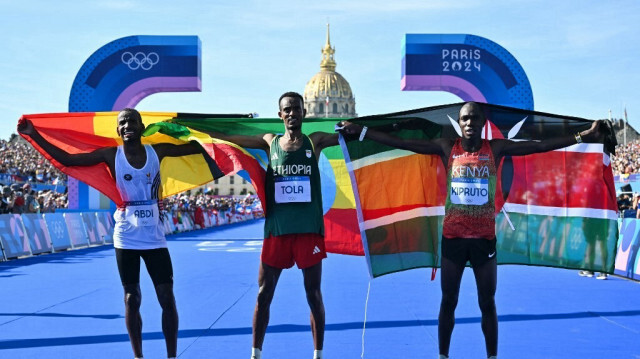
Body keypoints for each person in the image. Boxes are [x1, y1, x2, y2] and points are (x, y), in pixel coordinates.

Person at [338, 102, 608, 359]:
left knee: (487, 303)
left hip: (484, 240)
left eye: (474, 118)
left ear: (482, 123)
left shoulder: (496, 149)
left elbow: (540, 145)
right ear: (458, 123)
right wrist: (362, 131)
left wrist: (583, 135)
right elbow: (404, 143)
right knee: (448, 301)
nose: (469, 122)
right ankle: (443, 354)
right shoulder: (447, 148)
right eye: (464, 118)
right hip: (453, 239)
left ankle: (492, 355)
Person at [18, 108, 204, 359]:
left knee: (166, 297)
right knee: (131, 298)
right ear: (118, 130)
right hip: (126, 235)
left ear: (141, 126)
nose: (127, 125)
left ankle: (172, 356)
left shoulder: (156, 151)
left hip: (154, 235)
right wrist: (34, 135)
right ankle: (138, 356)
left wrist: (225, 136)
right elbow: (69, 160)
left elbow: (196, 147)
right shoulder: (111, 154)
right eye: (122, 123)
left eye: (132, 121)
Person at [204, 92, 339, 359]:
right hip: (277, 232)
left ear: (304, 113)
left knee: (313, 294)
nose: (292, 113)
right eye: (287, 110)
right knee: (264, 293)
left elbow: (353, 137)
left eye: (296, 109)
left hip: (308, 231)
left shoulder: (316, 141)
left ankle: (318, 353)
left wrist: (369, 128)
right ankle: (255, 353)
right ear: (280, 115)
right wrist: (206, 133)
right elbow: (231, 140)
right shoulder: (270, 142)